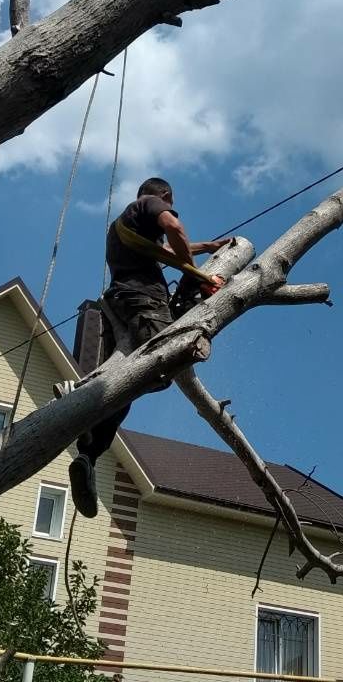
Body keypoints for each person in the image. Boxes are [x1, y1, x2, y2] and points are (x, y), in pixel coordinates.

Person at [67, 177, 231, 517]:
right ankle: (88, 428)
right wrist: (198, 274)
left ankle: (89, 452)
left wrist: (207, 247)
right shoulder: (150, 204)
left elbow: (166, 251)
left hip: (119, 305)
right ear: (166, 196)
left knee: (127, 382)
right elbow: (173, 228)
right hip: (142, 301)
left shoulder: (123, 227)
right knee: (159, 367)